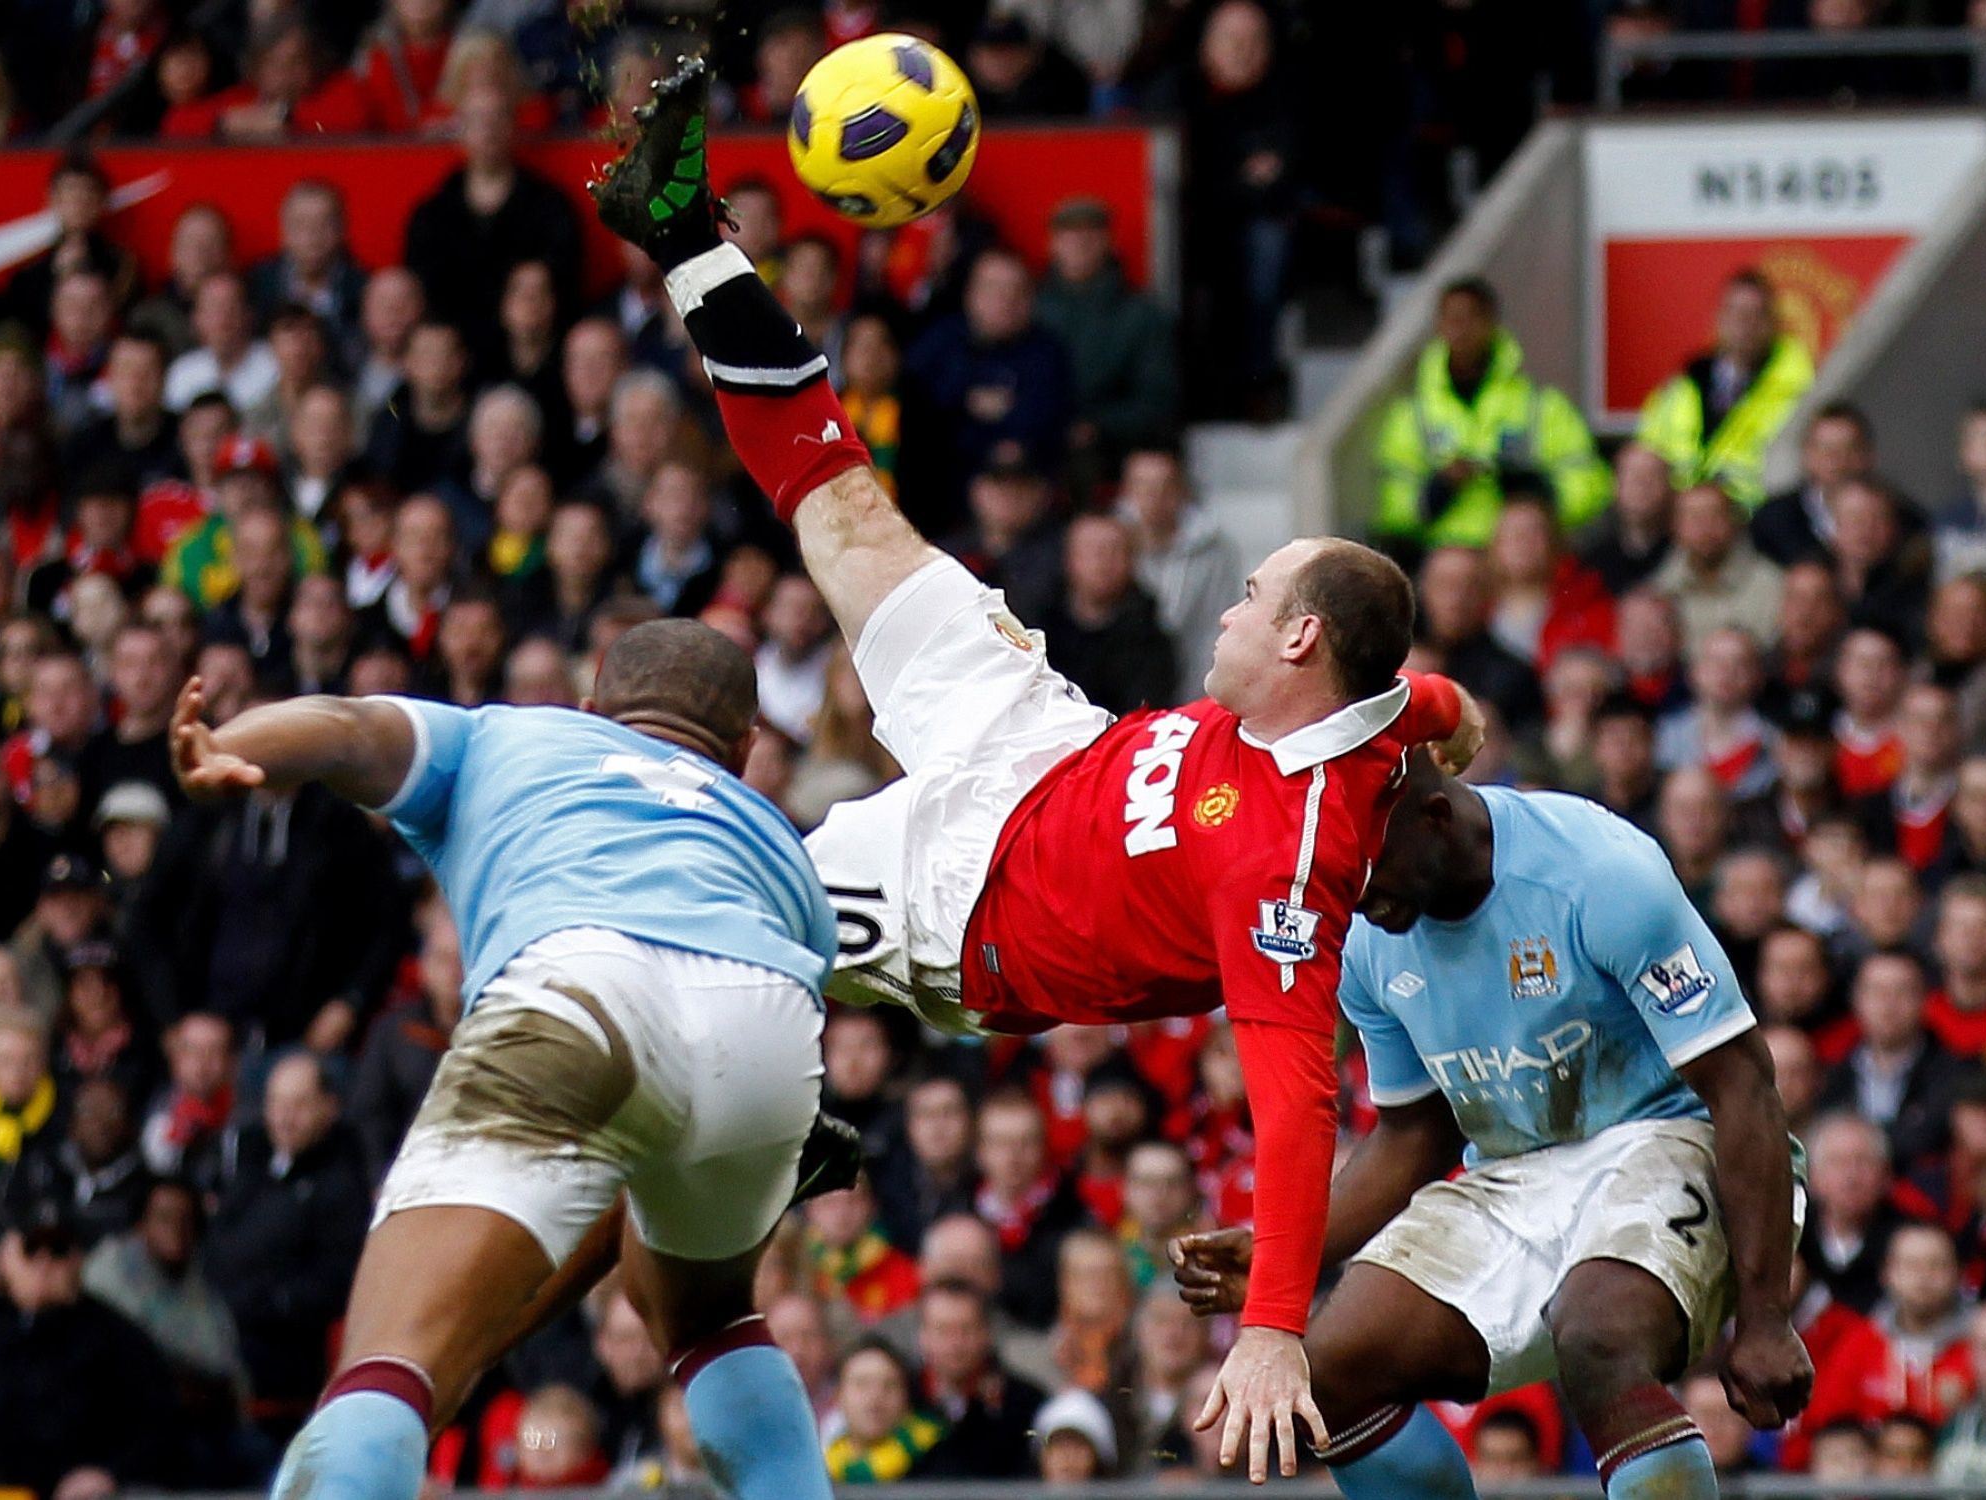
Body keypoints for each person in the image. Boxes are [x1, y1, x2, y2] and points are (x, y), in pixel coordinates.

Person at [589, 58, 1475, 1475]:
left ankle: (759, 1112)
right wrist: (1444, 703)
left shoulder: (1286, 865)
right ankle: (688, 230)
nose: (1230, 605)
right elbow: (1413, 692)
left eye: (1251, 595)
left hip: (976, 909)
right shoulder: (1363, 705)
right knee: (848, 514)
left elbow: (1298, 1100)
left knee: (704, 908)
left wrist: (1272, 1325)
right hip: (1040, 738)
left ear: (1297, 637)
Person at [168, 618, 841, 1500]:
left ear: (592, 708)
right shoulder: (783, 848)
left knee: (388, 1362)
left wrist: (233, 744)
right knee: (709, 1320)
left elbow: (348, 728)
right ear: (746, 749)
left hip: (580, 983)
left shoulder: (511, 734)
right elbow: (629, 1198)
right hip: (770, 1026)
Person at [1170, 759, 1810, 1500]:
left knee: (1597, 1338)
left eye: (1368, 875)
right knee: (1328, 1378)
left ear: (1435, 820)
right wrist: (1290, 1257)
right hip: (1513, 1170)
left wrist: (1766, 1320)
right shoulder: (1366, 933)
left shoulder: (1598, 871)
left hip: (1673, 1136)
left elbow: (1743, 1090)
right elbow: (1416, 1134)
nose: (1359, 900)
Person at [1374, 278, 1607, 547]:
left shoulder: (1542, 406)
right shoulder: (1412, 415)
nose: (1461, 330)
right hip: (1444, 557)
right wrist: (1440, 487)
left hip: (1523, 552)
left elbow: (1589, 484)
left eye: (1472, 318)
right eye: (1452, 319)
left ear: (1492, 324)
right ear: (1439, 326)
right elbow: (1392, 506)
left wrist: (1536, 491)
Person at [1636, 270, 1816, 510]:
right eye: (1736, 313)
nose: (1745, 324)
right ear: (1718, 318)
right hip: (1680, 523)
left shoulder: (1801, 392)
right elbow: (1645, 459)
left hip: (1758, 527)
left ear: (1775, 323)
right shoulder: (1680, 388)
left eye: (1756, 315)